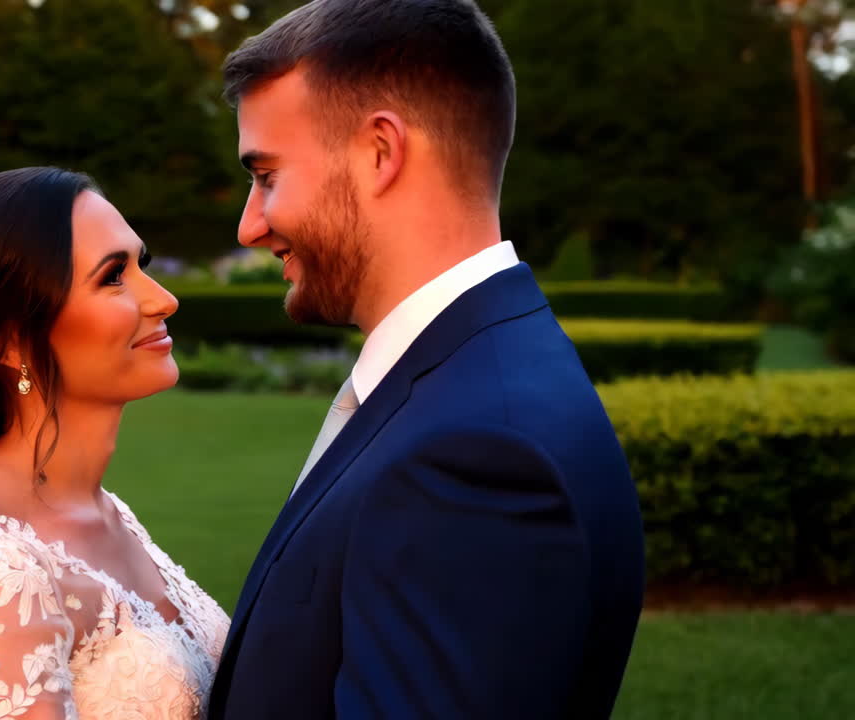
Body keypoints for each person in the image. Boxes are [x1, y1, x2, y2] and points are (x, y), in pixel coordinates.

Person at [207, 1, 646, 718]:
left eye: (266, 176)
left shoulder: (474, 456)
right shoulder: (477, 373)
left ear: (381, 151)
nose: (250, 225)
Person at [0, 167, 230, 720]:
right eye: (113, 277)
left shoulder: (105, 513)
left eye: (143, 266)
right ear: (8, 338)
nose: (163, 300)